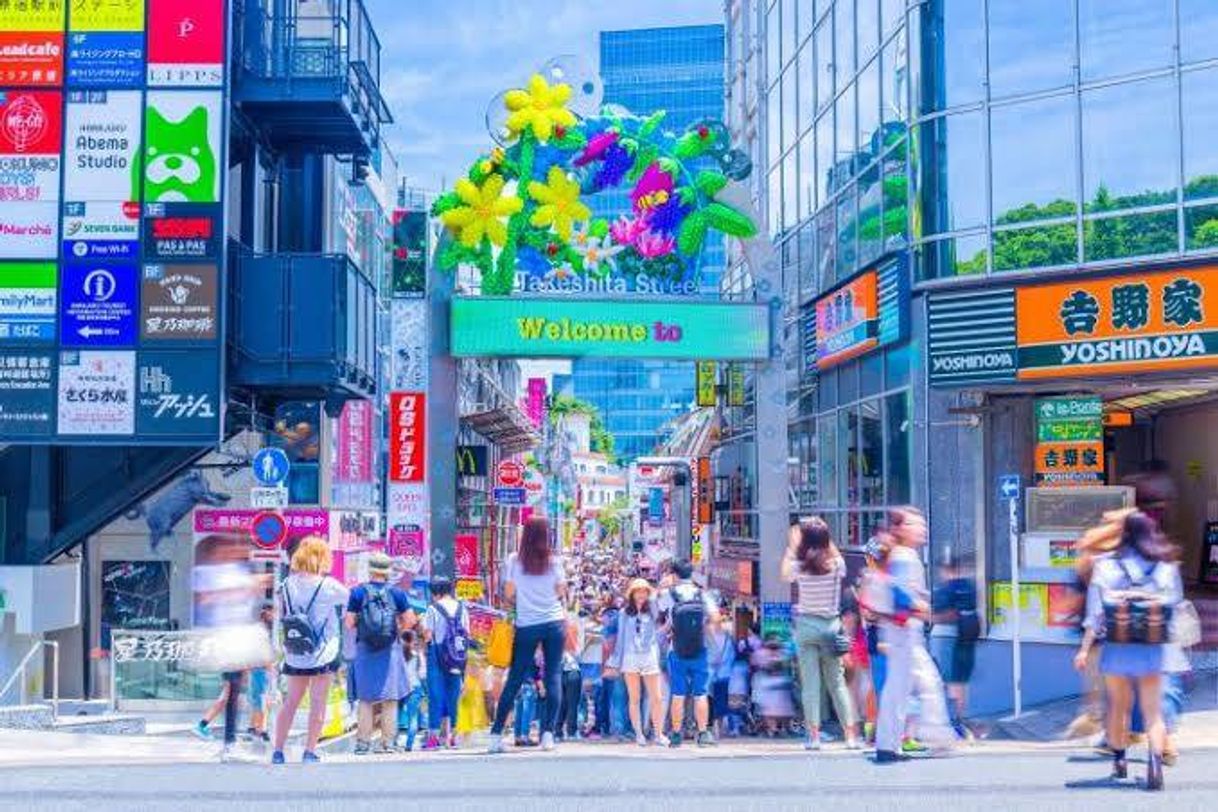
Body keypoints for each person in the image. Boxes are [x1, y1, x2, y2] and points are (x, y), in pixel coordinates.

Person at [1073, 511, 1182, 791]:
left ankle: (1120, 760)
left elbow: (1095, 617)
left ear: (1125, 535)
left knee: (1118, 708)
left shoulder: (1106, 566)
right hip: (1153, 650)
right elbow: (1176, 605)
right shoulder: (1166, 565)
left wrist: (1084, 650)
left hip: (1117, 648)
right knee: (1153, 712)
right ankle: (1155, 765)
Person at [873, 507, 954, 764]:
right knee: (911, 686)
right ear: (899, 529)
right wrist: (922, 608)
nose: (923, 529)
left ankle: (895, 743)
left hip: (903, 629)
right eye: (915, 524)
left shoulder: (899, 554)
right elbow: (899, 590)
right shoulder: (905, 556)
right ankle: (933, 737)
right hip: (904, 630)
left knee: (908, 686)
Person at [488, 517, 569, 753]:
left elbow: (509, 592)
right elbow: (560, 590)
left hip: (527, 624)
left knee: (514, 678)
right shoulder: (555, 562)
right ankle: (547, 735)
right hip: (554, 622)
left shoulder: (515, 560)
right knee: (553, 677)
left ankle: (495, 736)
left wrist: (524, 599)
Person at [782, 518, 859, 750]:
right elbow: (834, 553)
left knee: (811, 684)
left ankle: (814, 737)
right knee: (837, 683)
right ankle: (851, 737)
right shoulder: (836, 565)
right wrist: (824, 535)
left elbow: (785, 574)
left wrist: (794, 546)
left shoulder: (800, 566)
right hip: (831, 626)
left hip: (806, 626)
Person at [271, 535, 349, 765]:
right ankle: (309, 751)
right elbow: (351, 601)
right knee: (318, 702)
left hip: (296, 651)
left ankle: (278, 751)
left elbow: (281, 614)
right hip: (322, 651)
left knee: (291, 703)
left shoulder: (285, 585)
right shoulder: (329, 585)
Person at [345, 551, 415, 755]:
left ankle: (363, 743)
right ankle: (387, 743)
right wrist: (397, 629)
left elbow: (349, 623)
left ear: (370, 570)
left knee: (365, 698)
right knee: (390, 697)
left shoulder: (358, 593)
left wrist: (364, 625)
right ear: (387, 571)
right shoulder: (397, 594)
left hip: (365, 648)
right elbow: (410, 620)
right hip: (390, 649)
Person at [657, 559, 719, 747]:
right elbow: (715, 617)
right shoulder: (702, 594)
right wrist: (703, 628)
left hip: (676, 650)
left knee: (678, 694)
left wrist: (662, 585)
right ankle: (702, 733)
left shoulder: (669, 594)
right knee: (700, 693)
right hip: (700, 650)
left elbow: (658, 609)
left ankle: (676, 734)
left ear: (674, 574)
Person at [609, 578, 668, 747]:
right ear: (632, 593)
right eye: (638, 591)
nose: (641, 594)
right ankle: (639, 734)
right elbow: (620, 639)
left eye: (644, 591)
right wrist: (616, 663)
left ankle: (658, 733)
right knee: (634, 697)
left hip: (649, 655)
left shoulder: (652, 611)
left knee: (656, 697)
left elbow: (660, 603)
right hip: (630, 657)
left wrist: (653, 592)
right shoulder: (624, 613)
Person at [932, 556, 980, 741]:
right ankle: (960, 718)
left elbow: (939, 615)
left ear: (945, 570)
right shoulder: (969, 586)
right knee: (961, 680)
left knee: (949, 679)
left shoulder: (945, 589)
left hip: (946, 637)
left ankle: (952, 722)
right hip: (967, 635)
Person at [422, 576, 470, 750]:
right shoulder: (462, 608)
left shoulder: (432, 609)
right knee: (454, 695)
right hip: (456, 655)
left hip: (437, 653)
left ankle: (434, 738)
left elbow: (428, 635)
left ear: (435, 592)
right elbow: (466, 634)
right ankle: (454, 737)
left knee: (435, 695)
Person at [708, 610, 735, 739]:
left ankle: (719, 726)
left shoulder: (727, 638)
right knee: (709, 700)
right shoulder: (707, 638)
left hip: (723, 674)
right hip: (709, 674)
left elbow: (730, 656)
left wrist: (720, 663)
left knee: (721, 700)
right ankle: (711, 726)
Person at [397, 630, 426, 751]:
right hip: (415, 688)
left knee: (395, 716)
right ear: (413, 641)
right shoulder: (417, 656)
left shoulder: (398, 655)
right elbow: (423, 674)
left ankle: (393, 742)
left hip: (399, 688)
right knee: (413, 717)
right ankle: (409, 745)